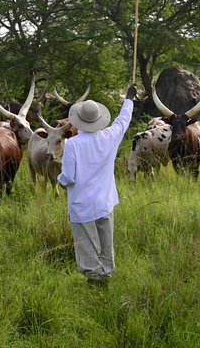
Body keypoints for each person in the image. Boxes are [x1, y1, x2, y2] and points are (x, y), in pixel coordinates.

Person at [56, 82, 137, 285]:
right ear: (99, 120)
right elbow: (123, 120)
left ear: (78, 121)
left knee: (87, 246)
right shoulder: (110, 137)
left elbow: (68, 177)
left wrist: (60, 181)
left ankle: (95, 283)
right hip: (104, 202)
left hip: (81, 206)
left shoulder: (73, 145)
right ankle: (106, 277)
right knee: (106, 244)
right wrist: (129, 98)